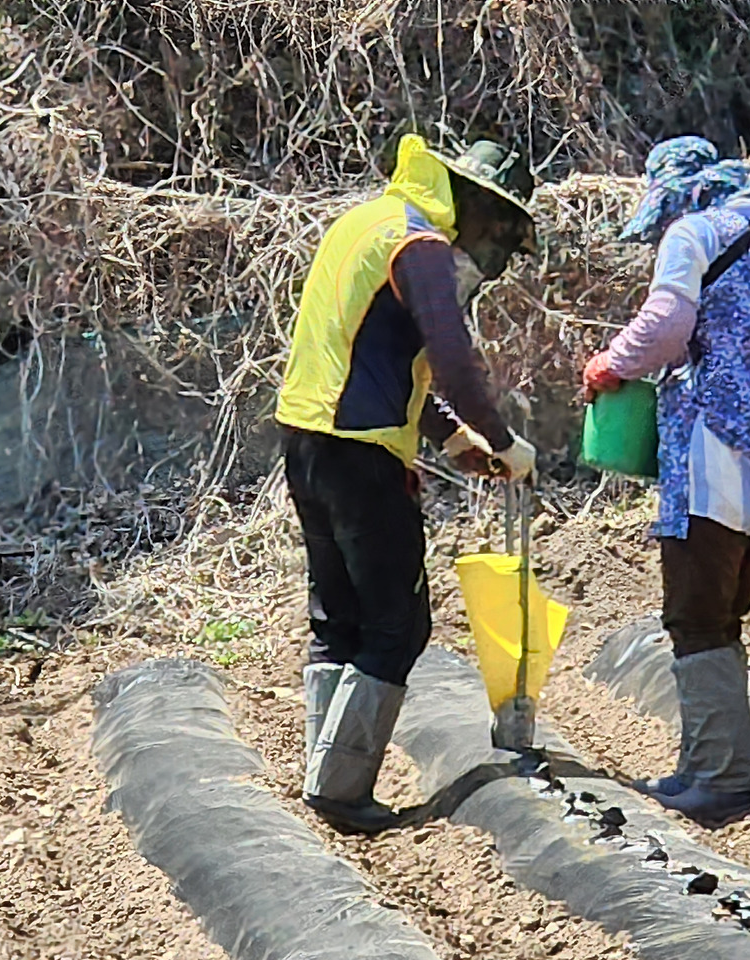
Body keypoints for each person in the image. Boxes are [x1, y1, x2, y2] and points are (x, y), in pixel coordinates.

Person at [277, 133, 538, 834]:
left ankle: (323, 777)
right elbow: (450, 356)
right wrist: (506, 441)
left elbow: (378, 356)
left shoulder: (365, 223)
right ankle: (341, 791)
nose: (497, 252)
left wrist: (455, 438)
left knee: (339, 619)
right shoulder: (418, 245)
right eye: (501, 232)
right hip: (363, 457)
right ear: (475, 204)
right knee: (399, 623)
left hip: (305, 442)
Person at [583, 136, 750, 827]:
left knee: (696, 617)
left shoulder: (692, 233)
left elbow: (667, 325)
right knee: (721, 618)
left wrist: (611, 366)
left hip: (715, 452)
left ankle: (721, 779)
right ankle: (704, 766)